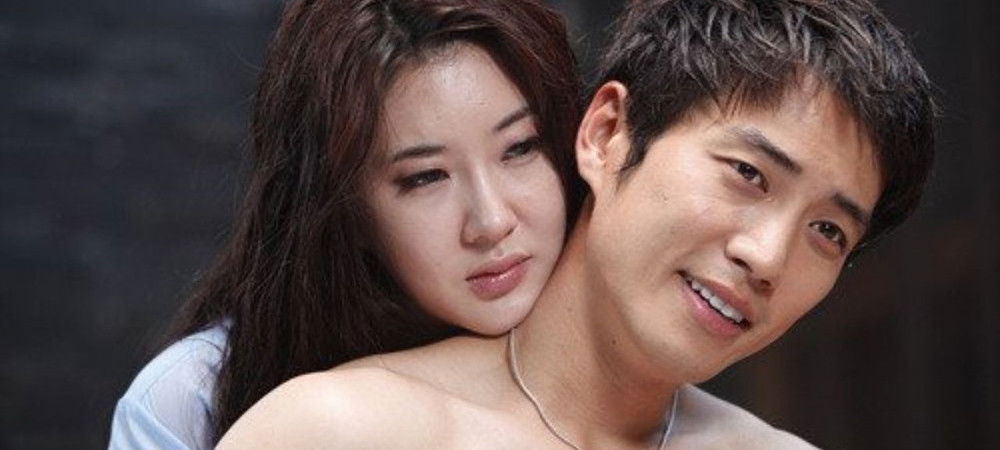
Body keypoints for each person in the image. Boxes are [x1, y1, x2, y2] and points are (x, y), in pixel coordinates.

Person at [217, 0, 935, 448]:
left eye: (828, 232)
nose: (768, 256)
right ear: (606, 133)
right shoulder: (341, 430)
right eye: (748, 173)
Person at [107, 0, 583, 448]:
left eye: (520, 148)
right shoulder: (193, 399)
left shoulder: (621, 360)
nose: (492, 221)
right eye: (425, 177)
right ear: (347, 210)